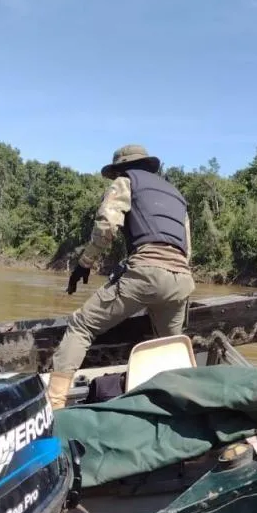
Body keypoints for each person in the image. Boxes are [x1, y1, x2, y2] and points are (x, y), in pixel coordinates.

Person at [46, 144, 195, 410]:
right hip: (182, 279)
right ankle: (182, 408)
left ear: (121, 168)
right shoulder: (177, 195)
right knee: (168, 346)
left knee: (81, 325)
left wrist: (84, 263)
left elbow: (106, 226)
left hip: (145, 273)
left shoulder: (126, 182)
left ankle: (54, 407)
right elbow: (186, 248)